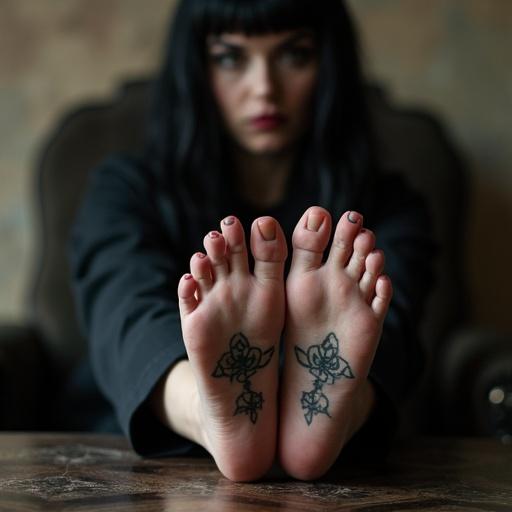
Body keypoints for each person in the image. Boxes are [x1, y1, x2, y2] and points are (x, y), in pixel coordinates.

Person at [69, 0, 433, 482]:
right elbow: (122, 309)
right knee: (131, 314)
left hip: (341, 440)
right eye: (231, 58)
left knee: (382, 324)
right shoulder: (128, 190)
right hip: (151, 432)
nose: (265, 88)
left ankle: (322, 415)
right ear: (197, 69)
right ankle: (211, 414)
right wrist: (210, 406)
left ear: (329, 64)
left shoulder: (386, 204)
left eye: (294, 55)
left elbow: (395, 328)